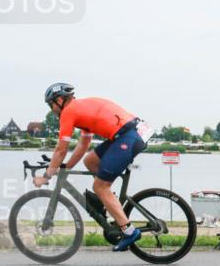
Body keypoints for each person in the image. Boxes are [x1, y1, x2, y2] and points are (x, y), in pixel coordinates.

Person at [35, 83, 151, 251]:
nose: (51, 109)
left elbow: (61, 148)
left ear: (59, 100)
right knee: (90, 161)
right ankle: (108, 201)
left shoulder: (68, 111)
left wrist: (46, 175)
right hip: (129, 133)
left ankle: (129, 231)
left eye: (50, 104)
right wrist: (66, 166)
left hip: (127, 136)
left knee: (99, 186)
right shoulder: (81, 110)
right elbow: (83, 145)